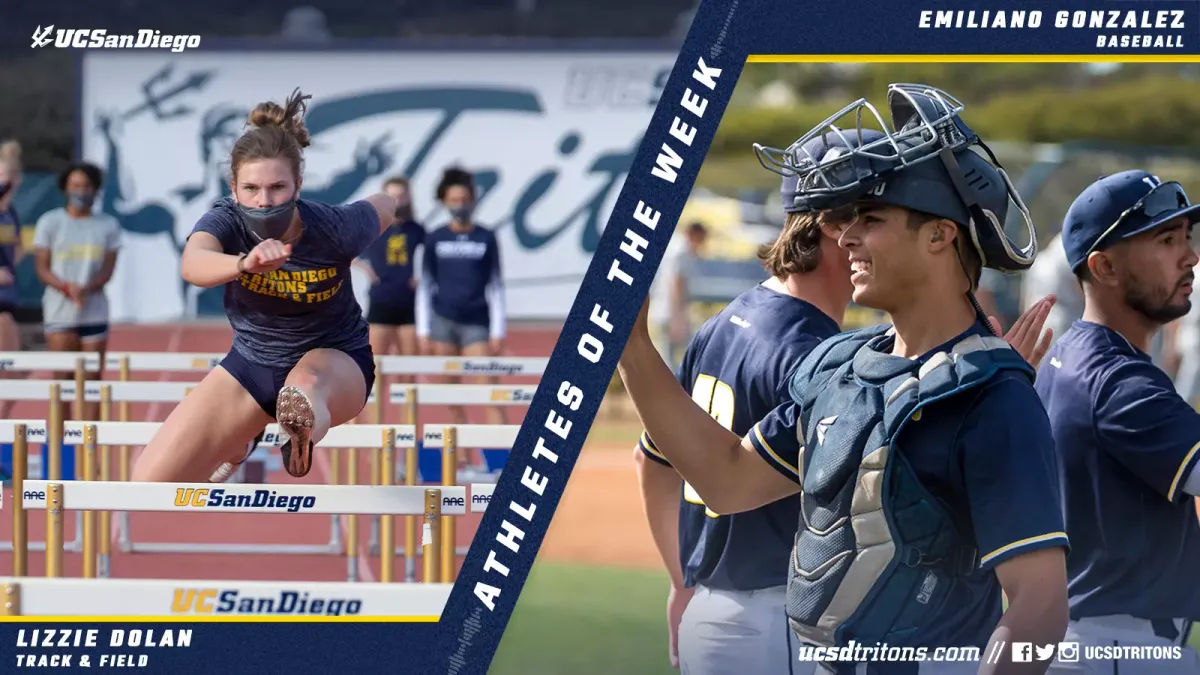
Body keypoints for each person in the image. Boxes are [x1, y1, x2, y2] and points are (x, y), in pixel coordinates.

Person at [619, 83, 1069, 674]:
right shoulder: (838, 367)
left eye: (872, 218)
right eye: (848, 219)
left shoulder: (996, 401)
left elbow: (1040, 606)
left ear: (940, 235)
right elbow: (726, 480)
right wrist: (630, 346)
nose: (847, 236)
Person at [130, 88, 396, 483]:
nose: (263, 201)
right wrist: (244, 263)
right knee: (147, 484)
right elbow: (194, 263)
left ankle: (299, 431)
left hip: (334, 363)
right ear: (233, 188)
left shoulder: (336, 228)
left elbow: (386, 204)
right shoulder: (227, 220)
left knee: (303, 386)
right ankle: (242, 437)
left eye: (277, 188)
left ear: (299, 185)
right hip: (252, 366)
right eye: (251, 189)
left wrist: (388, 208)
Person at [1034, 170, 1200, 675]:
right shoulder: (1118, 380)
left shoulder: (1072, 354)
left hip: (1087, 638)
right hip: (1122, 647)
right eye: (1165, 240)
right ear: (1103, 266)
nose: (1189, 256)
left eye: (1187, 238)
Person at [416, 166, 506, 480]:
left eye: (465, 198)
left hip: (476, 324)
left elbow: (496, 286)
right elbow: (425, 286)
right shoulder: (435, 238)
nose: (460, 203)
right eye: (454, 199)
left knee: (490, 393)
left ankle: (501, 463)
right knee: (451, 398)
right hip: (442, 323)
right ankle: (466, 462)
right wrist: (423, 329)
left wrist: (498, 330)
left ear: (473, 200)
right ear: (445, 201)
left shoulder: (487, 236)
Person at [33, 160, 122, 423]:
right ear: (65, 188)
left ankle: (90, 453)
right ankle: (63, 452)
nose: (81, 191)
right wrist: (65, 287)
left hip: (93, 312)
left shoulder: (108, 225)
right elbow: (42, 267)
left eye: (86, 186)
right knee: (62, 384)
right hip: (60, 313)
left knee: (91, 385)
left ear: (95, 190)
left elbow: (108, 269)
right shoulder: (50, 222)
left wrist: (87, 288)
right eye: (75, 186)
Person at [355, 175, 427, 381]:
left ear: (408, 198)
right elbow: (345, 249)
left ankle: (408, 415)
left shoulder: (417, 230)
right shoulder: (373, 228)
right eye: (392, 195)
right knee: (374, 372)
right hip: (381, 301)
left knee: (408, 375)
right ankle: (358, 415)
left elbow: (429, 260)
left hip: (409, 305)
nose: (397, 201)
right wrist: (364, 269)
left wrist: (420, 276)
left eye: (401, 196)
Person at [649, 221, 707, 368]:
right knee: (674, 359)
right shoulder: (681, 251)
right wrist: (678, 318)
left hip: (666, 310)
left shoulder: (675, 246)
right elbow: (675, 283)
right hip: (671, 312)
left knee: (669, 357)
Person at [1021, 232, 1085, 349]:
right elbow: (1079, 285)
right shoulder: (1066, 246)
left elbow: (1025, 300)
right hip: (1063, 323)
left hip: (1036, 323)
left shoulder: (1039, 261)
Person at [0, 140, 25, 420]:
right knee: (8, 372)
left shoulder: (11, 213)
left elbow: (17, 246)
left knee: (13, 376)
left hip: (9, 297)